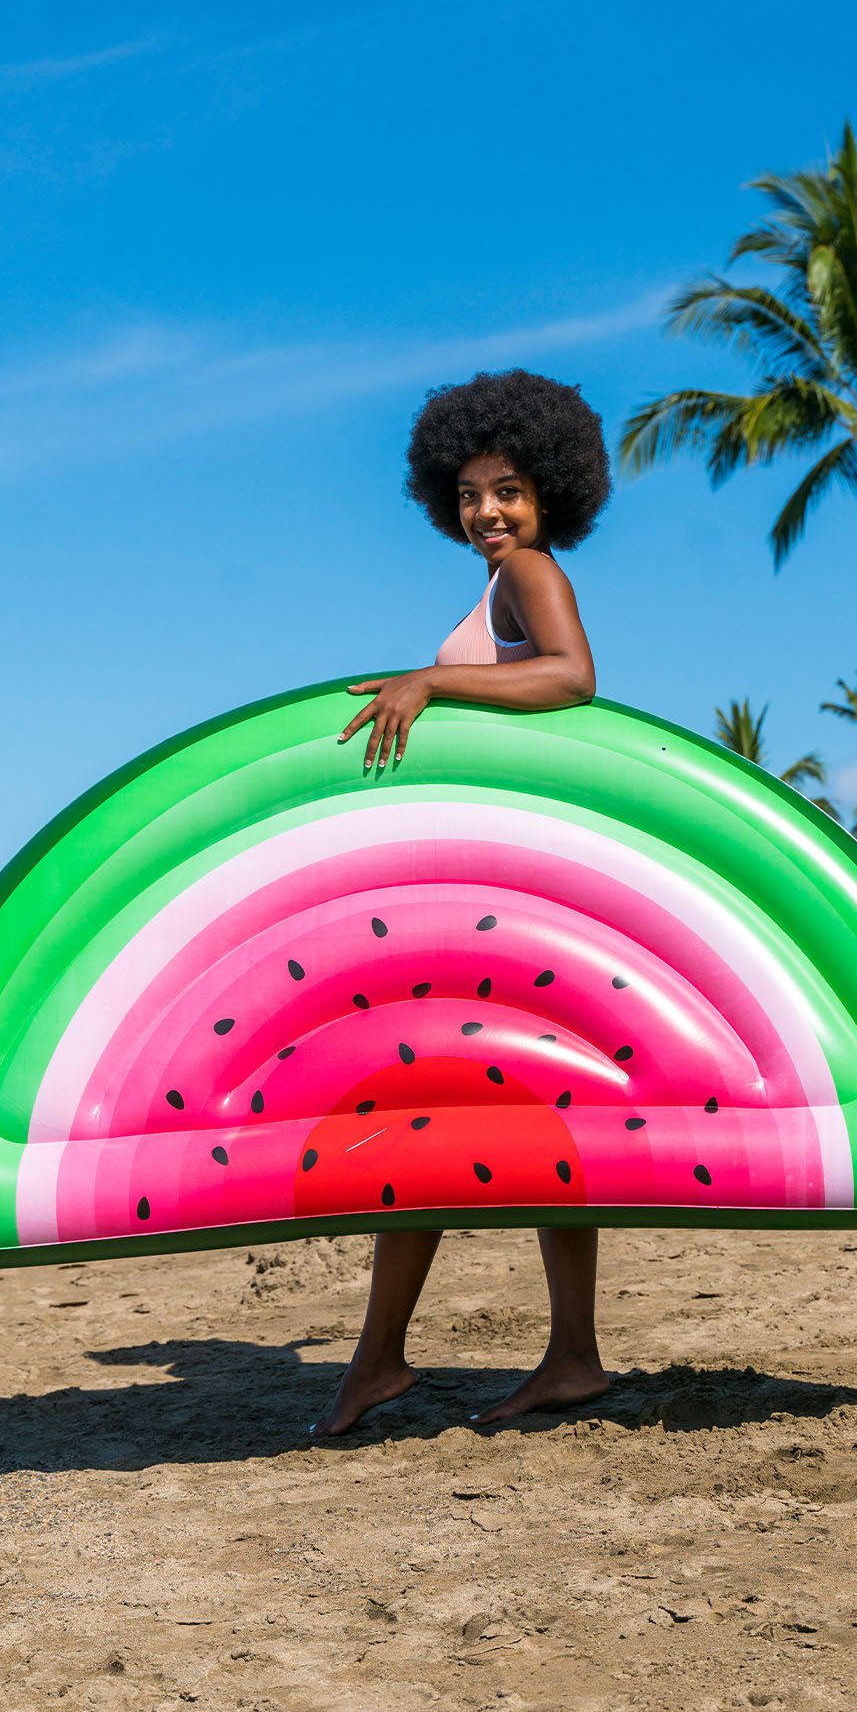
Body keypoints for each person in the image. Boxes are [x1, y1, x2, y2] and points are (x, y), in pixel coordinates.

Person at [311, 367, 613, 1439]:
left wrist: (431, 681)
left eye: (510, 491)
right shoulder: (495, 587)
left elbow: (572, 677)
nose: (490, 511)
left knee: (422, 1112)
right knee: (516, 1120)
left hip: (504, 901)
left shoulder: (530, 571)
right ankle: (560, 1356)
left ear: (550, 493)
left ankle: (382, 1358)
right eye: (473, 493)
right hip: (499, 886)